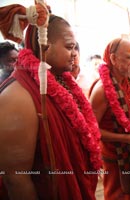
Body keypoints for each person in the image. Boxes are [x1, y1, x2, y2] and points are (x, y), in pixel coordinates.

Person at [0, 6, 101, 200]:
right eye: (69, 47)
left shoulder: (61, 80)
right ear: (44, 46)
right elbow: (16, 179)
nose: (75, 54)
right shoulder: (18, 96)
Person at [89, 38, 130, 200]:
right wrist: (126, 138)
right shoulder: (101, 90)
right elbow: (90, 130)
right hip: (115, 158)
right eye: (129, 57)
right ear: (114, 59)